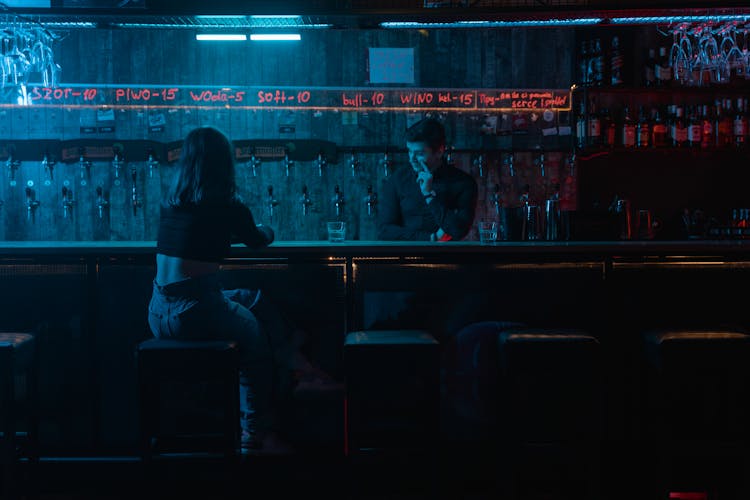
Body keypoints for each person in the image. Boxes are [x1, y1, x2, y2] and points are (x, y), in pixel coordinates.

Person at [147, 126, 338, 456]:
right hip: (196, 310)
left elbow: (198, 237)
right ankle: (257, 433)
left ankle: (296, 362)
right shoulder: (226, 206)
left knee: (254, 299)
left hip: (158, 310)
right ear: (224, 164)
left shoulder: (172, 204)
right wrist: (266, 228)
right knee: (254, 340)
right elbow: (258, 238)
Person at [377, 117, 478, 241]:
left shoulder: (463, 183)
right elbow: (384, 231)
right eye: (409, 151)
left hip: (447, 257)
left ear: (439, 151)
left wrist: (429, 195)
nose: (411, 159)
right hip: (406, 256)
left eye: (419, 153)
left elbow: (458, 230)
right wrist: (431, 238)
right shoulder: (398, 179)